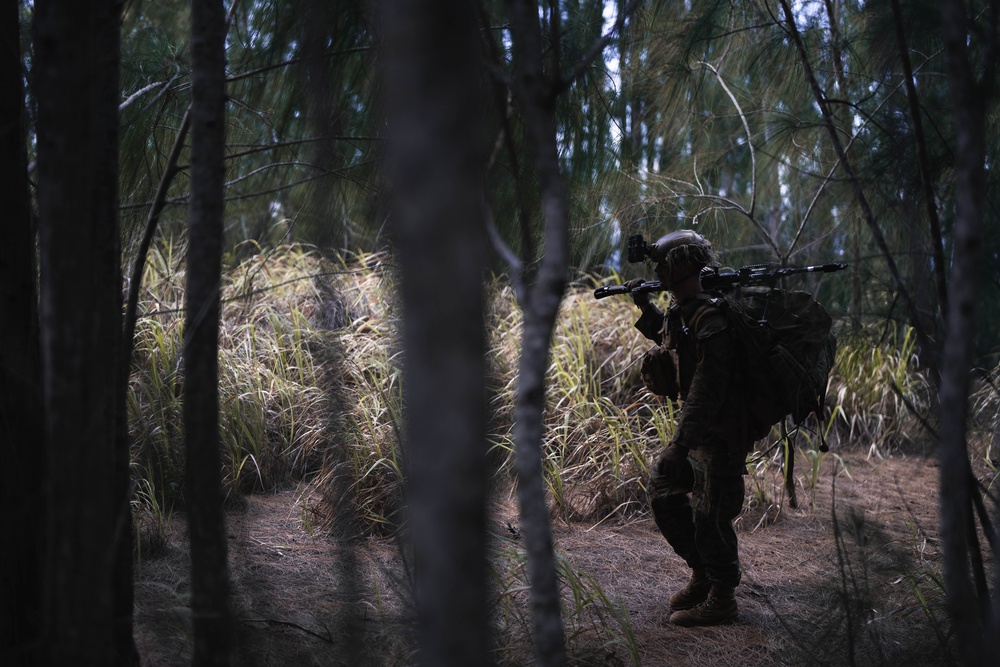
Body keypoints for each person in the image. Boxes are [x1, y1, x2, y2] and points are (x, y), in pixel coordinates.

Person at [625, 229, 753, 627]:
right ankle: (703, 574)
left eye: (663, 266)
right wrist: (645, 306)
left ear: (680, 266)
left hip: (721, 435)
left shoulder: (711, 319)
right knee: (664, 495)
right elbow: (672, 342)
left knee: (711, 515)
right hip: (699, 435)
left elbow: (705, 393)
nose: (658, 272)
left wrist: (678, 447)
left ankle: (723, 597)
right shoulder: (685, 311)